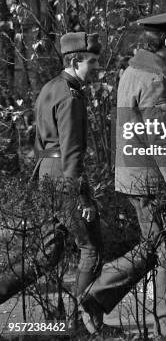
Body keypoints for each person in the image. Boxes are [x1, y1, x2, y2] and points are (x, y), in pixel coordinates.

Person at [80, 10, 166, 339]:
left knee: (158, 247)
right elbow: (164, 140)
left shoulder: (133, 70)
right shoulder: (155, 79)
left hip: (136, 177)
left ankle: (161, 324)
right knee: (165, 248)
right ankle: (160, 325)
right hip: (153, 181)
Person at [0, 32, 103, 305]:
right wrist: (82, 196)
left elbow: (39, 141)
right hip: (64, 174)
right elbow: (71, 150)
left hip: (47, 170)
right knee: (91, 249)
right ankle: (86, 320)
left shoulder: (49, 88)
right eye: (91, 61)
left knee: (47, 254)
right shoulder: (70, 97)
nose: (96, 67)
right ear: (75, 60)